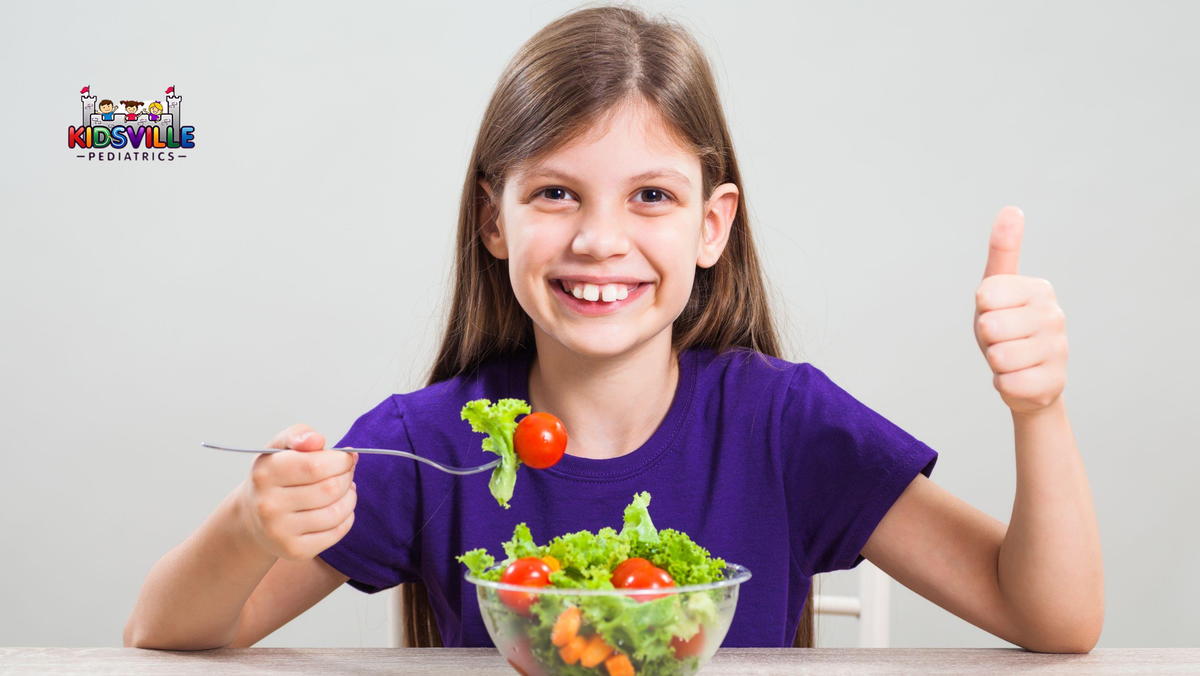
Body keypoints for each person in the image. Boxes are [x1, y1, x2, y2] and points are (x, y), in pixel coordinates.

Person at [123, 4, 1102, 655]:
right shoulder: (430, 445)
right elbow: (161, 632)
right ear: (494, 221)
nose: (600, 239)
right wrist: (253, 526)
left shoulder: (783, 425)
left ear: (711, 224)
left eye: (650, 196)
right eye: (555, 192)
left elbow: (1052, 618)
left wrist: (1040, 409)